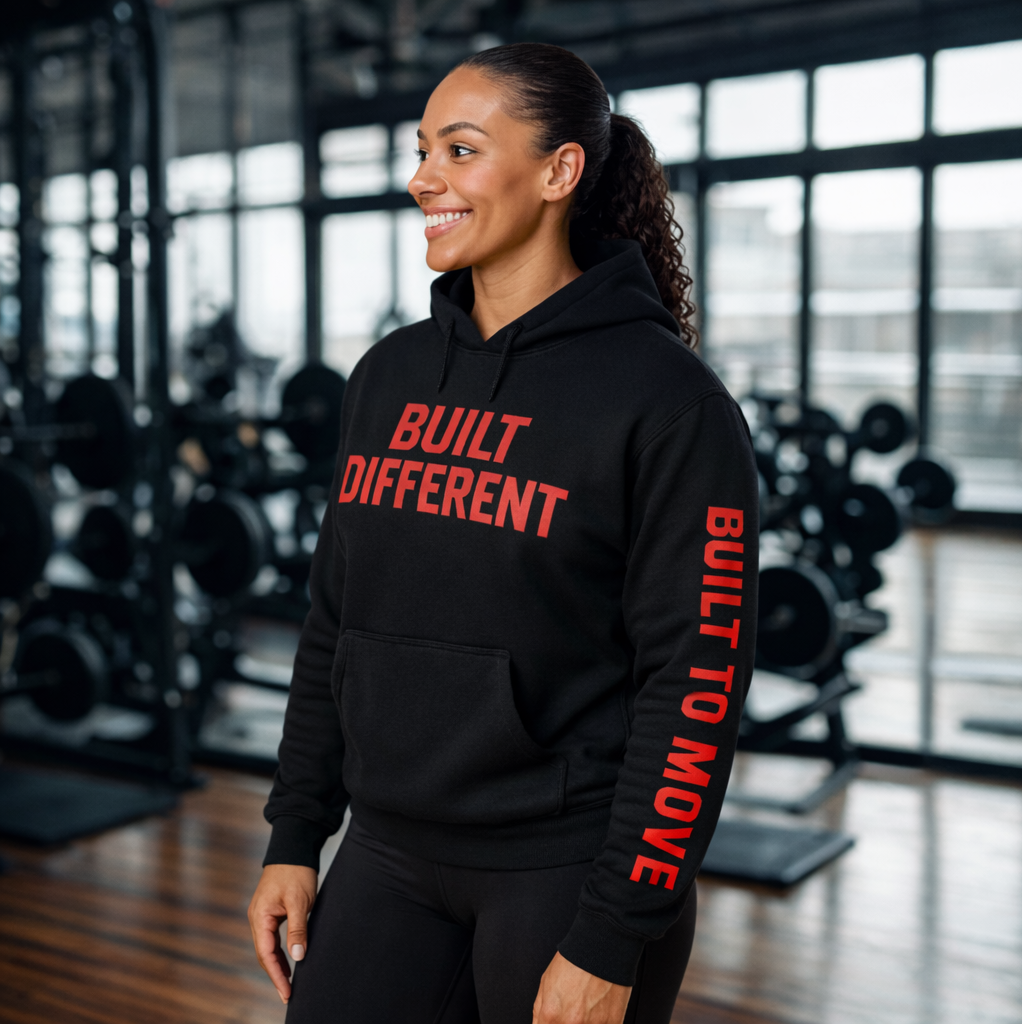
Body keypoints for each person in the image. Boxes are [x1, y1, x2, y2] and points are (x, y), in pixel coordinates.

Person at [248, 42, 758, 1024]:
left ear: (559, 171)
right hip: (387, 852)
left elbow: (694, 688)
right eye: (420, 148)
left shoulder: (667, 405)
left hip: (562, 868)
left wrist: (614, 931)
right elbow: (332, 623)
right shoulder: (387, 377)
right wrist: (292, 833)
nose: (421, 177)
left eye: (460, 148)